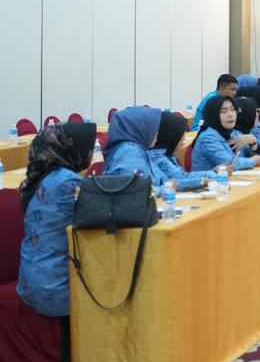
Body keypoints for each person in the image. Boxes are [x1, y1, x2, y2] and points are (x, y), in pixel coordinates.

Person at [17, 123, 97, 317]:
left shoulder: (41, 176)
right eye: (89, 148)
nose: (92, 153)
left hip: (30, 281)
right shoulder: (66, 182)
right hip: (54, 288)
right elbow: (99, 211)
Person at [191, 96, 257, 172]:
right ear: (213, 115)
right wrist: (254, 160)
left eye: (233, 110)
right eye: (223, 111)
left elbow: (257, 155)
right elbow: (230, 163)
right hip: (209, 179)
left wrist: (253, 143)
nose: (230, 115)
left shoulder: (233, 133)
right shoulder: (208, 138)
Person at [149, 111, 211, 191]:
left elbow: (182, 176)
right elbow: (180, 177)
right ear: (170, 135)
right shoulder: (157, 157)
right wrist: (213, 174)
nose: (183, 140)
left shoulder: (168, 152)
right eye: (180, 135)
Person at [102, 107, 161, 178]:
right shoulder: (129, 153)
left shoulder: (140, 149)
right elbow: (138, 183)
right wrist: (167, 184)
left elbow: (158, 178)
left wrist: (168, 183)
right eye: (152, 129)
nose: (156, 133)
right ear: (140, 128)